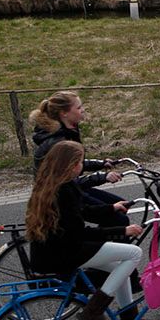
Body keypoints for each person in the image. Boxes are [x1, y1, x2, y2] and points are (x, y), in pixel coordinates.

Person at [25, 141, 160, 320]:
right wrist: (122, 230)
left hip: (55, 249)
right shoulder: (63, 192)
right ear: (72, 166)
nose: (82, 167)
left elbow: (83, 211)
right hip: (62, 253)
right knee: (133, 253)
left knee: (119, 267)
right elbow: (79, 233)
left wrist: (112, 208)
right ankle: (93, 311)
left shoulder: (56, 184)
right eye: (80, 162)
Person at [29, 91, 127, 228]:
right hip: (59, 196)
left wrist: (102, 163)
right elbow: (68, 177)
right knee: (119, 219)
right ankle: (98, 247)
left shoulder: (68, 131)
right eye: (79, 107)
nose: (83, 110)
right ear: (64, 113)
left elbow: (75, 163)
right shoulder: (58, 142)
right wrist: (103, 177)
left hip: (71, 187)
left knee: (121, 206)